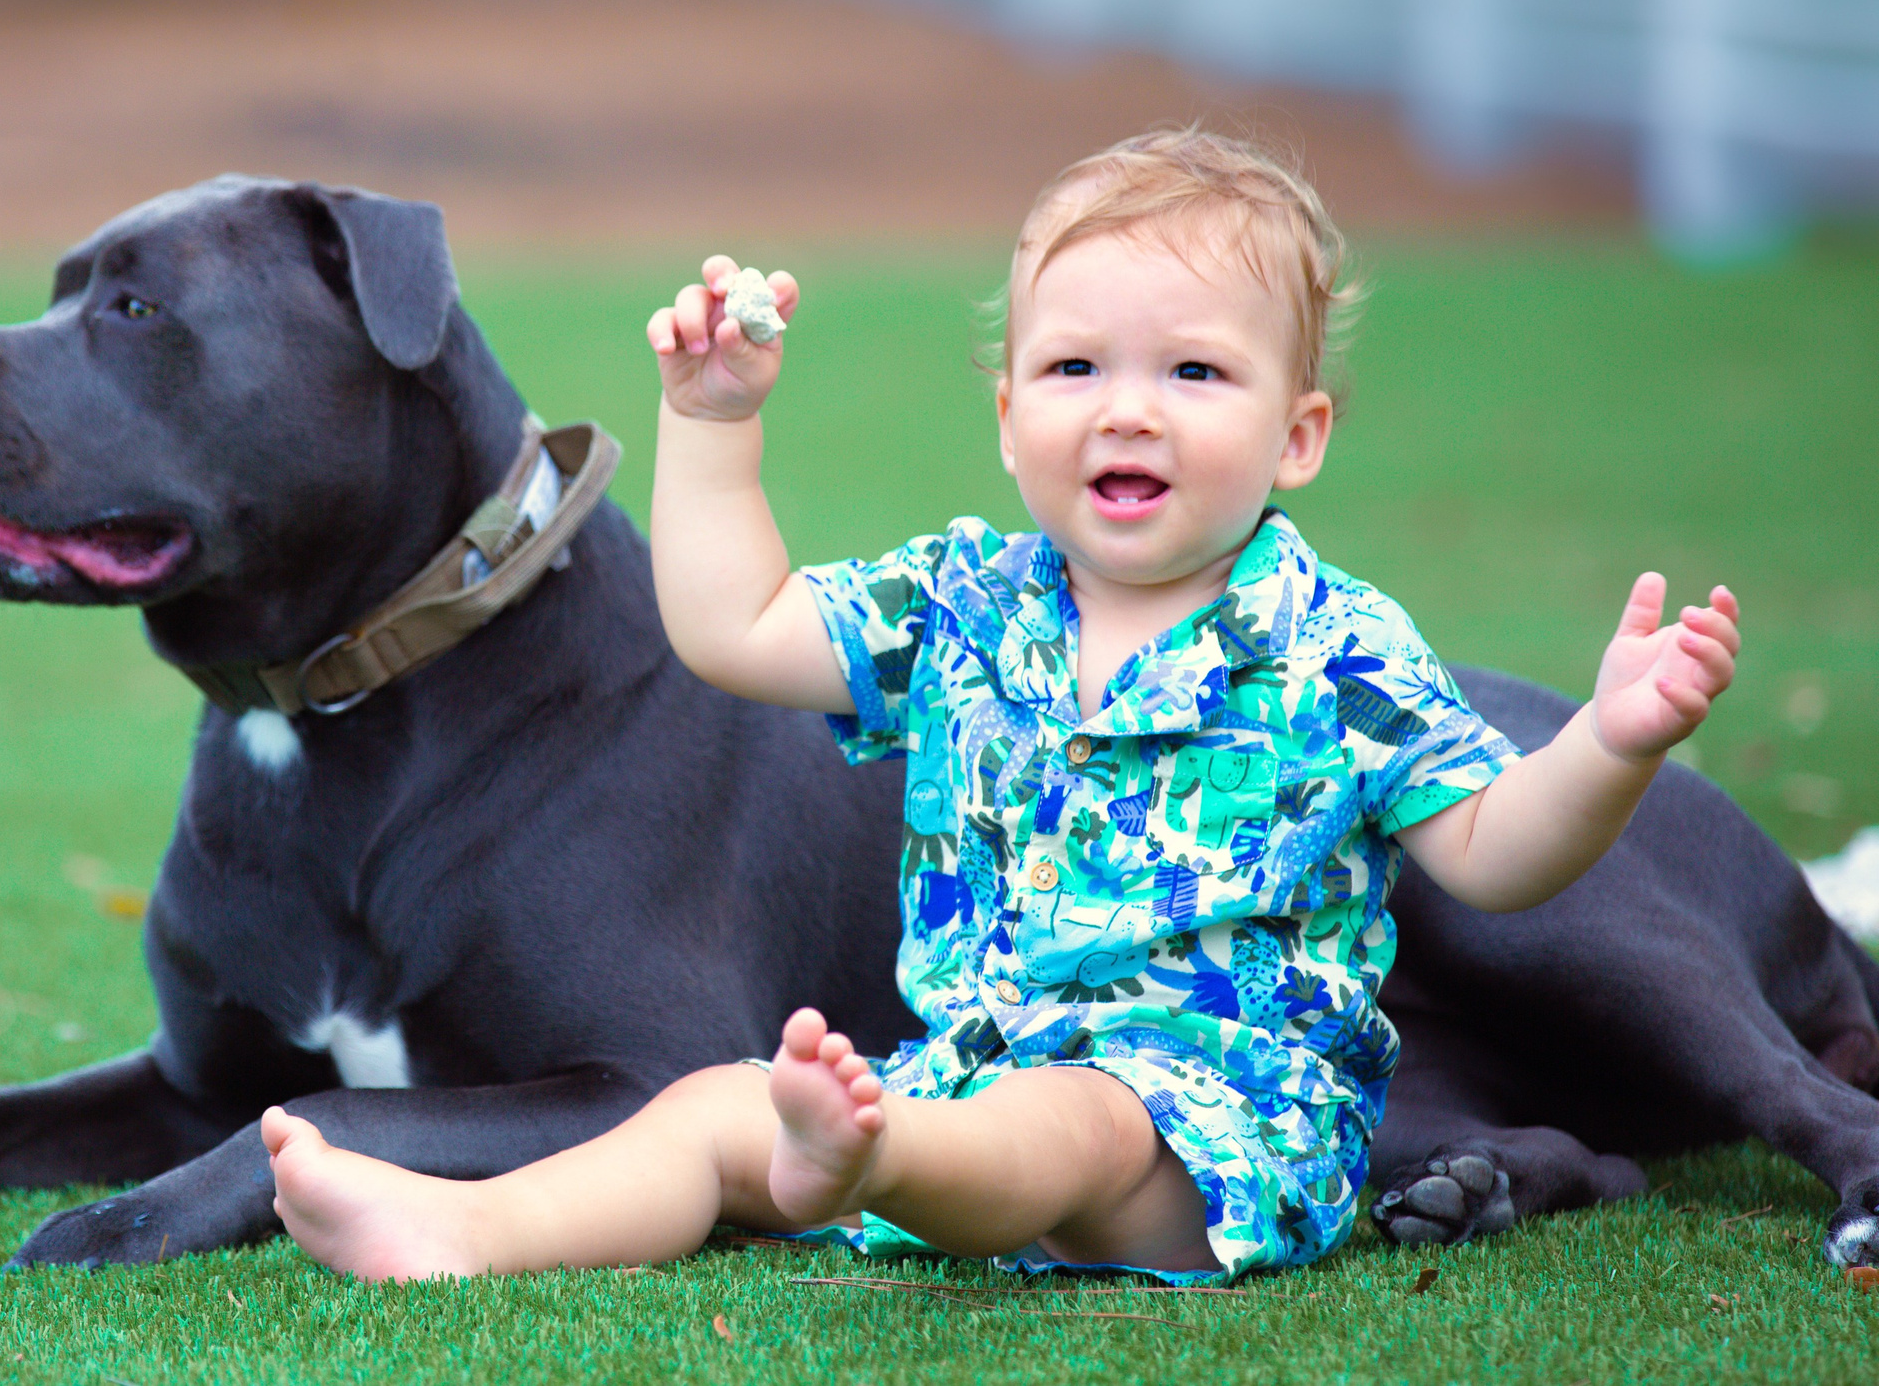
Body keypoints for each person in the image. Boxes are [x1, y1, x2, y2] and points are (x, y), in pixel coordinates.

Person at [257, 128, 1743, 1284]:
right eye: (1075, 365)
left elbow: (1497, 853)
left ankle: (876, 1164)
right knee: (713, 1110)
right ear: (1009, 412)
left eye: (1195, 371)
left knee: (1075, 1126)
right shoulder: (968, 601)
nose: (1127, 406)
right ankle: (464, 1231)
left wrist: (1608, 746)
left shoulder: (1334, 646)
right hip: (966, 1068)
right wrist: (713, 428)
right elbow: (735, 628)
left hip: (1212, 1133)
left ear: (1298, 435)